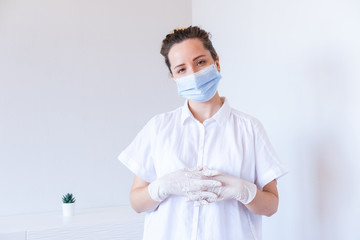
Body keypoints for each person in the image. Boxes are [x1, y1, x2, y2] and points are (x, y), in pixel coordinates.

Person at [118, 26, 287, 240]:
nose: (194, 74)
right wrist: (161, 187)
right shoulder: (158, 128)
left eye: (200, 62)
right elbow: (137, 203)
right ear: (173, 77)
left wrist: (244, 191)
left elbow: (271, 206)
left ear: (216, 62)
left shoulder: (249, 128)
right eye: (181, 69)